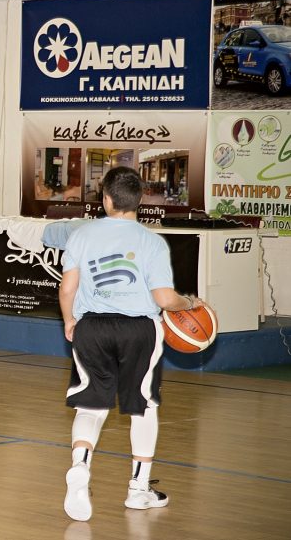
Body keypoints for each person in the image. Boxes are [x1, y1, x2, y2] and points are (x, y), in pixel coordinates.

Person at [59, 166, 203, 522]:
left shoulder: (81, 235)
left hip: (92, 327)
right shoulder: (151, 242)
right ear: (139, 200)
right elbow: (165, 298)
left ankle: (80, 464)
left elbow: (67, 288)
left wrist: (69, 321)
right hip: (139, 330)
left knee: (90, 408)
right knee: (143, 408)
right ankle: (138, 490)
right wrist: (189, 303)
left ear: (105, 199)